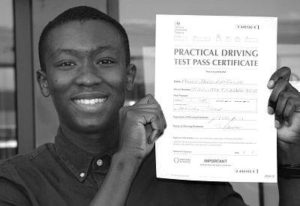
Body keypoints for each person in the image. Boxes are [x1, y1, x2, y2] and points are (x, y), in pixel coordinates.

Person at [0, 6, 299, 206]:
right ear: (43, 82)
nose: (88, 77)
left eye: (105, 61)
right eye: (67, 63)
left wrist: (291, 159)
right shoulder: (16, 183)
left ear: (129, 77)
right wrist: (126, 159)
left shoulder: (188, 172)